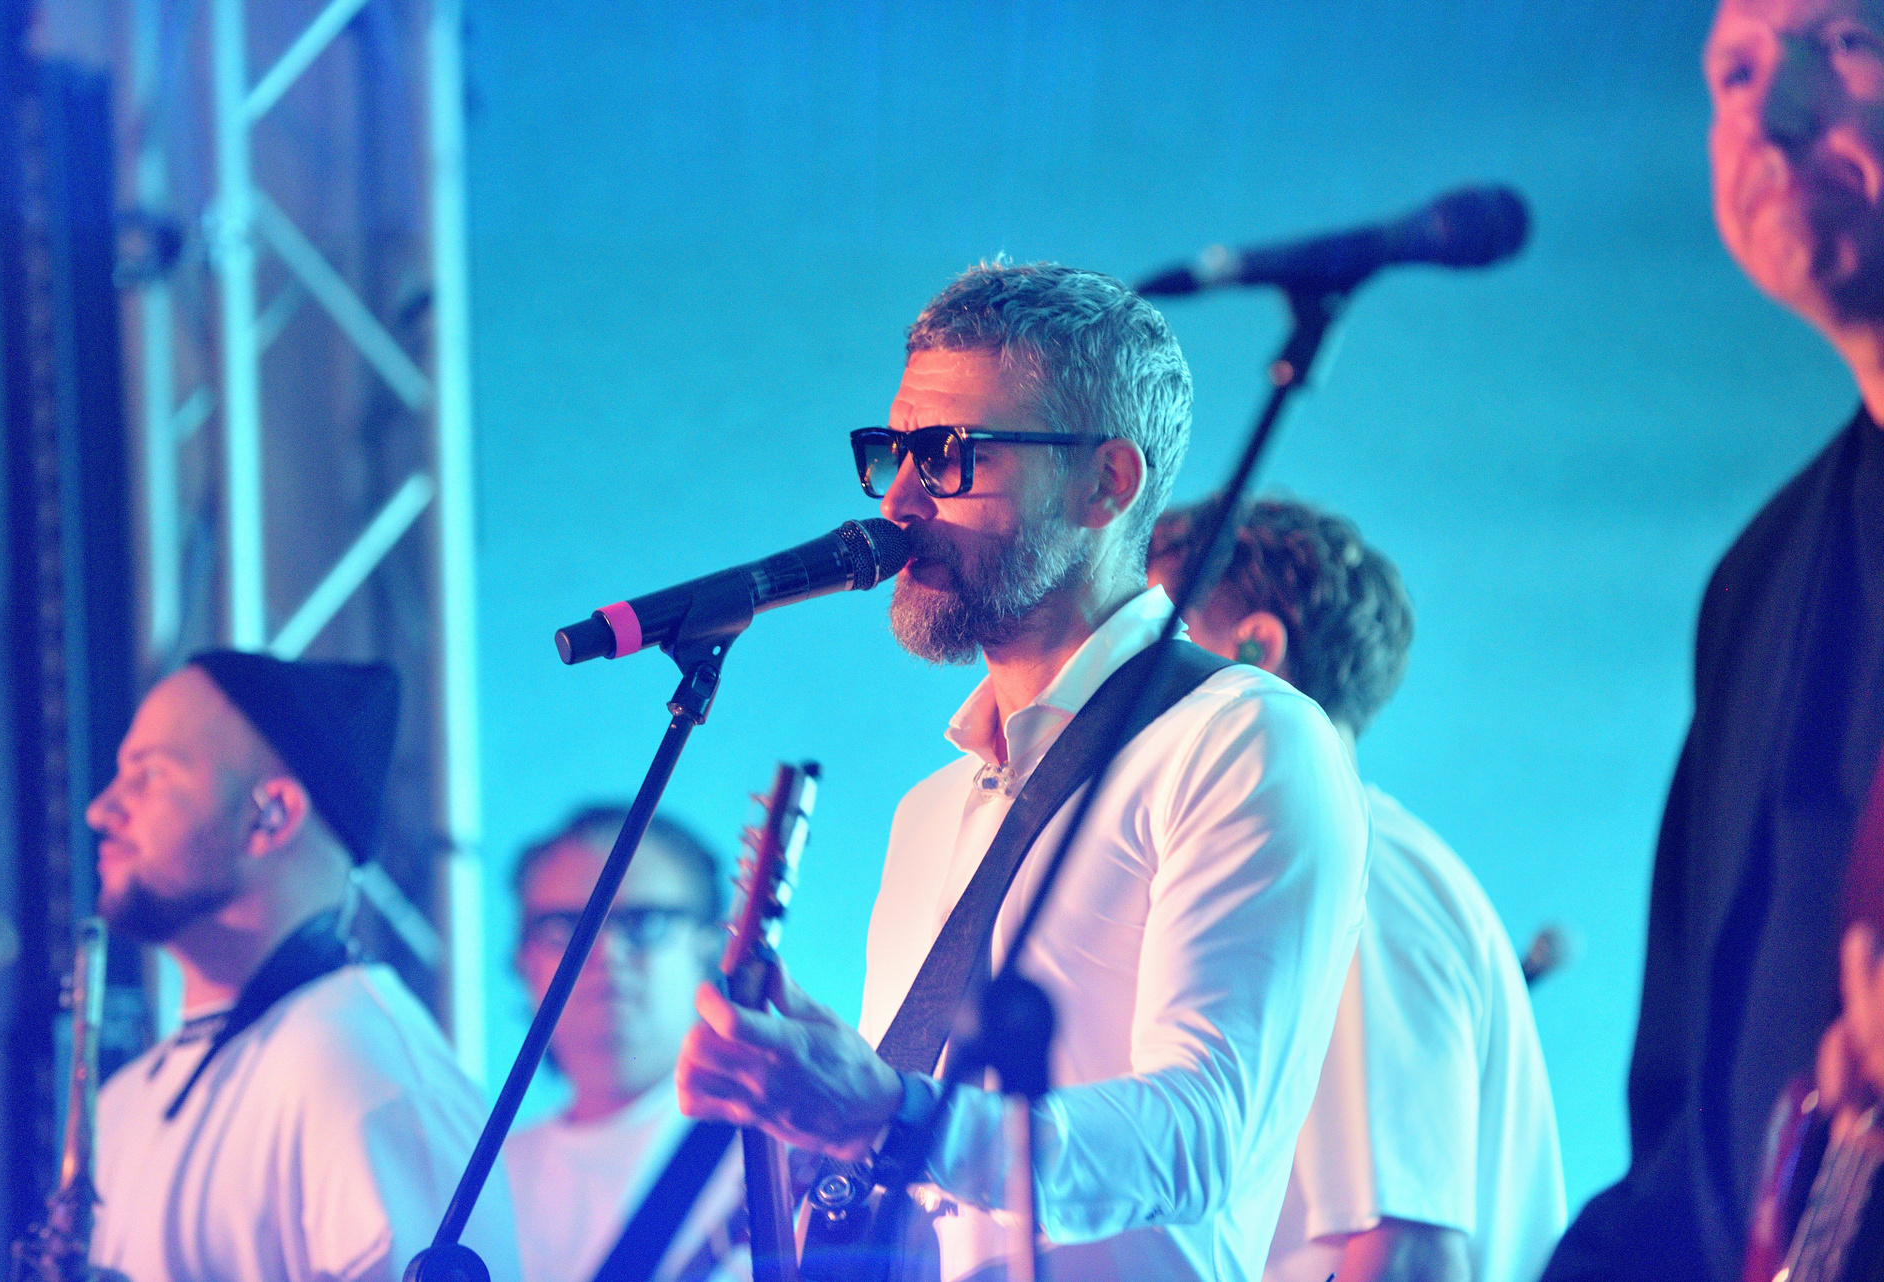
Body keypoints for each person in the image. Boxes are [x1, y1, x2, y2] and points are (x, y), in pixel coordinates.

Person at [674, 261, 1370, 1281]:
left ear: (1106, 483)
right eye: (894, 453)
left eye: (949, 455)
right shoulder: (928, 811)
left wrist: (888, 1113)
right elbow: (917, 1168)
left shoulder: (1243, 738)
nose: (899, 499)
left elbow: (1201, 1136)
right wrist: (805, 1114)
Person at [1543, 1, 1884, 1278]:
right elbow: (1696, 1104)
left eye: (1844, 42)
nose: (1769, 114)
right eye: (1734, 72)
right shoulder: (1760, 577)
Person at [1149, 496, 1567, 1282]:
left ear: (1255, 647)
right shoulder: (1358, 857)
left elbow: (1407, 1253)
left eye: (1152, 635)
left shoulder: (1358, 873)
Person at [85, 650, 521, 1282]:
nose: (101, 810)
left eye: (148, 775)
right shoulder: (120, 1103)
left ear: (272, 816)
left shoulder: (371, 1083)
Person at [504, 807, 747, 1282]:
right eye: (567, 927)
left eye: (644, 922)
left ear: (710, 946)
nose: (605, 953)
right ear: (523, 960)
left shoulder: (776, 1154)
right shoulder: (484, 1183)